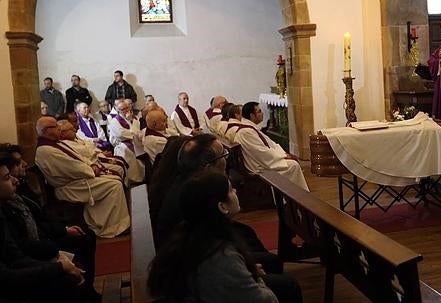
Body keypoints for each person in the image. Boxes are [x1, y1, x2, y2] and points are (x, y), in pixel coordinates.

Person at [149, 169, 301, 303]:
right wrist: (255, 276)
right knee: (289, 287)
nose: (235, 191)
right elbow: (267, 300)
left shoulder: (192, 234)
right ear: (222, 206)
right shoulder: (221, 255)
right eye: (230, 190)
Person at [0, 144, 101, 302]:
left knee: (86, 238)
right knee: (66, 277)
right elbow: (16, 255)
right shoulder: (5, 206)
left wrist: (63, 230)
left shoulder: (18, 192)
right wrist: (57, 260)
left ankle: (88, 291)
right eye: (7, 177)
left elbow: (39, 219)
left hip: (38, 246)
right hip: (30, 256)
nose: (13, 180)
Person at [35, 116, 130, 238]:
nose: (59, 128)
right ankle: (110, 227)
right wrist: (90, 169)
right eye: (55, 126)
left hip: (77, 180)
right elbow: (70, 167)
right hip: (70, 187)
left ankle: (110, 222)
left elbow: (78, 158)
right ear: (45, 131)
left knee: (114, 179)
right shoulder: (45, 151)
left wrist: (91, 165)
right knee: (114, 185)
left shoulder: (55, 144)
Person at [225, 103, 309, 191]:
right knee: (293, 166)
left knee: (292, 162)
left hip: (261, 161)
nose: (262, 113)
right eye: (259, 111)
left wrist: (283, 154)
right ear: (252, 115)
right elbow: (260, 152)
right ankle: (297, 197)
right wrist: (282, 156)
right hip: (259, 167)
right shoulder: (246, 132)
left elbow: (269, 143)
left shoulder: (249, 128)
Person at [108, 100, 145, 184]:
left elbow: (137, 132)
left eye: (127, 107)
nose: (126, 110)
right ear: (118, 110)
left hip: (135, 141)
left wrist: (131, 122)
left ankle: (142, 177)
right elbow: (121, 134)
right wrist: (132, 129)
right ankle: (132, 180)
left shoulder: (134, 118)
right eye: (123, 109)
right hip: (123, 144)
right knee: (129, 153)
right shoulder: (114, 121)